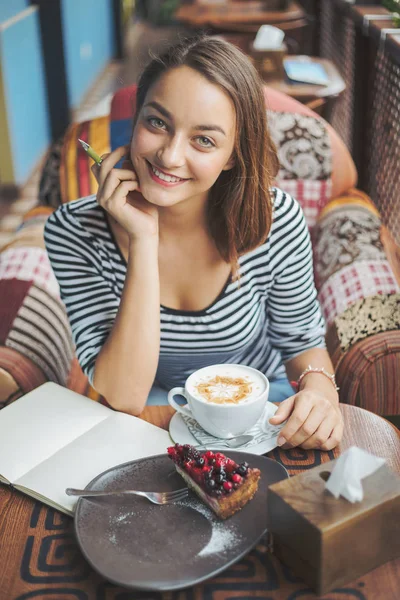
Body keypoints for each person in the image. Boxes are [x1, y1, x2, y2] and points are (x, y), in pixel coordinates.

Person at [44, 35, 343, 451]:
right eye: (157, 123)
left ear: (234, 155)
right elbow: (125, 395)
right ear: (136, 121)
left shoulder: (276, 218)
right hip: (153, 412)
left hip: (263, 408)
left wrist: (320, 393)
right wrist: (144, 237)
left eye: (204, 140)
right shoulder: (73, 231)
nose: (168, 156)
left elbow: (302, 344)